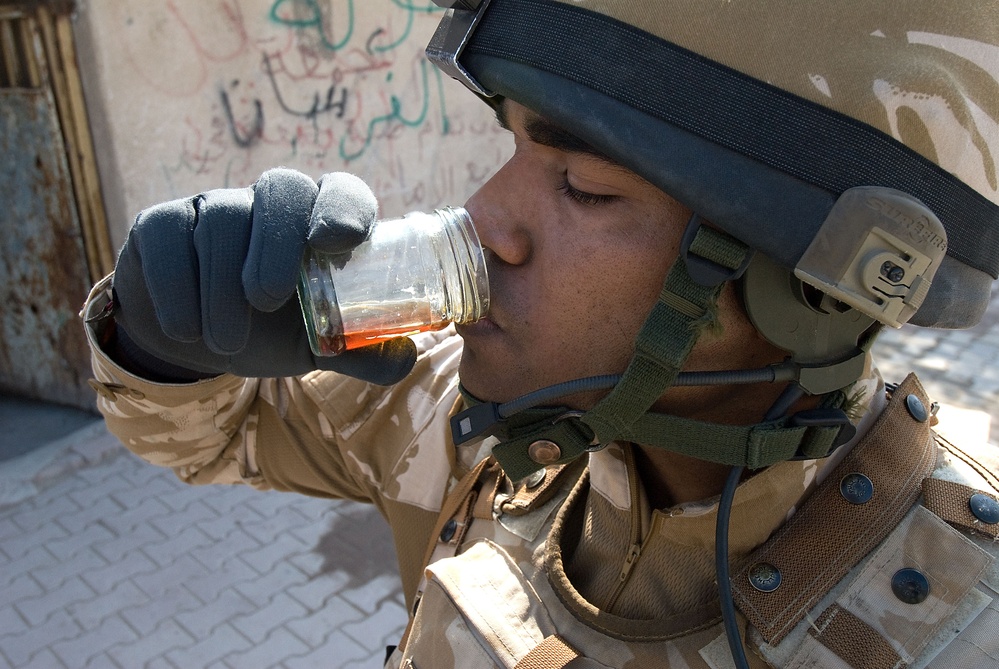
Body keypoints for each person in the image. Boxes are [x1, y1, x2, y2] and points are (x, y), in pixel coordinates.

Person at [82, 1, 999, 667]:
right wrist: (160, 335)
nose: (485, 218)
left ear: (808, 293)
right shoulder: (473, 412)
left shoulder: (965, 621)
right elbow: (222, 430)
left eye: (586, 188)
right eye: (517, 147)